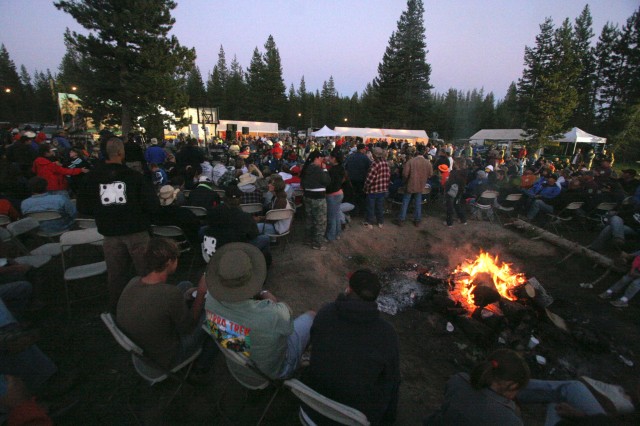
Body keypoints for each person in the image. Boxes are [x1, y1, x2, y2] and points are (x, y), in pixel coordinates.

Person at [203, 243, 315, 385]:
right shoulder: (272, 315)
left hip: (237, 365)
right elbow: (287, 323)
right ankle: (301, 359)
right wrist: (264, 292)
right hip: (271, 372)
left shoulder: (210, 302)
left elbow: (237, 340)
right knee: (312, 316)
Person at [303, 269, 400, 425]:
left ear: (349, 289)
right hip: (351, 420)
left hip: (310, 411)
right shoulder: (387, 334)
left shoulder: (326, 312)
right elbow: (392, 383)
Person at [77, 137, 158, 312]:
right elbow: (152, 205)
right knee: (145, 271)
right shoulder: (135, 177)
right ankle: (148, 307)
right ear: (121, 153)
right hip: (136, 231)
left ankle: (117, 308)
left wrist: (104, 211)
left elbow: (83, 206)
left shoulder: (92, 177)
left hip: (110, 232)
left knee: (115, 275)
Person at [425, 349, 605, 425]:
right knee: (566, 392)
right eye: (519, 388)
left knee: (567, 391)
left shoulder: (458, 380)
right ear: (512, 386)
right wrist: (510, 409)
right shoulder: (509, 420)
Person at [117, 238, 207, 369]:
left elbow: (160, 303)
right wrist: (201, 293)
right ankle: (204, 365)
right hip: (167, 357)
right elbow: (189, 328)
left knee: (184, 285)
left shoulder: (134, 281)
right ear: (169, 262)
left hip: (145, 346)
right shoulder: (170, 294)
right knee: (211, 314)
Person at [300, 150, 331, 250]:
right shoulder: (317, 169)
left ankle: (307, 239)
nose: (322, 161)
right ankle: (318, 243)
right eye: (321, 159)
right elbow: (327, 181)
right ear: (316, 158)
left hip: (307, 196)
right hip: (318, 198)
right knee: (320, 221)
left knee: (309, 219)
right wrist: (325, 170)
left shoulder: (306, 168)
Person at [395, 146, 433, 227]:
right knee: (418, 203)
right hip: (420, 185)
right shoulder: (428, 163)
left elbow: (405, 174)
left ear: (416, 153)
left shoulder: (410, 162)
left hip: (410, 185)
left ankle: (401, 220)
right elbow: (430, 175)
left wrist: (405, 181)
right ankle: (417, 220)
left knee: (405, 202)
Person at [363, 147, 390, 229]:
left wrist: (365, 188)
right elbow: (388, 175)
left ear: (374, 155)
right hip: (382, 190)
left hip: (373, 190)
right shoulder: (385, 163)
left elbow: (369, 179)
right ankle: (380, 222)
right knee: (379, 207)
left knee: (370, 207)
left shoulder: (375, 164)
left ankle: (369, 222)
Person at [325, 148, 346, 241]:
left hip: (332, 195)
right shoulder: (341, 167)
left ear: (334, 158)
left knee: (331, 217)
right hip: (339, 193)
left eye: (330, 157)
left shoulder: (333, 170)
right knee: (336, 215)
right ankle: (337, 233)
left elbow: (331, 185)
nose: (329, 158)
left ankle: (331, 236)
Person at [343, 143, 371, 214]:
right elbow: (370, 168)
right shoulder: (365, 158)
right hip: (361, 180)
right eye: (364, 149)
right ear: (362, 149)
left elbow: (344, 167)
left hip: (351, 180)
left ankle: (353, 211)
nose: (365, 150)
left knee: (352, 195)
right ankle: (361, 211)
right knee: (361, 196)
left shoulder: (350, 156)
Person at [444, 158, 468, 227]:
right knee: (457, 204)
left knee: (450, 206)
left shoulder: (454, 173)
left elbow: (450, 183)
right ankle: (463, 219)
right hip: (460, 191)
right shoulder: (465, 172)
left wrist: (447, 182)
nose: (454, 164)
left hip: (452, 191)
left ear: (458, 164)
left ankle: (449, 222)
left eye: (455, 163)